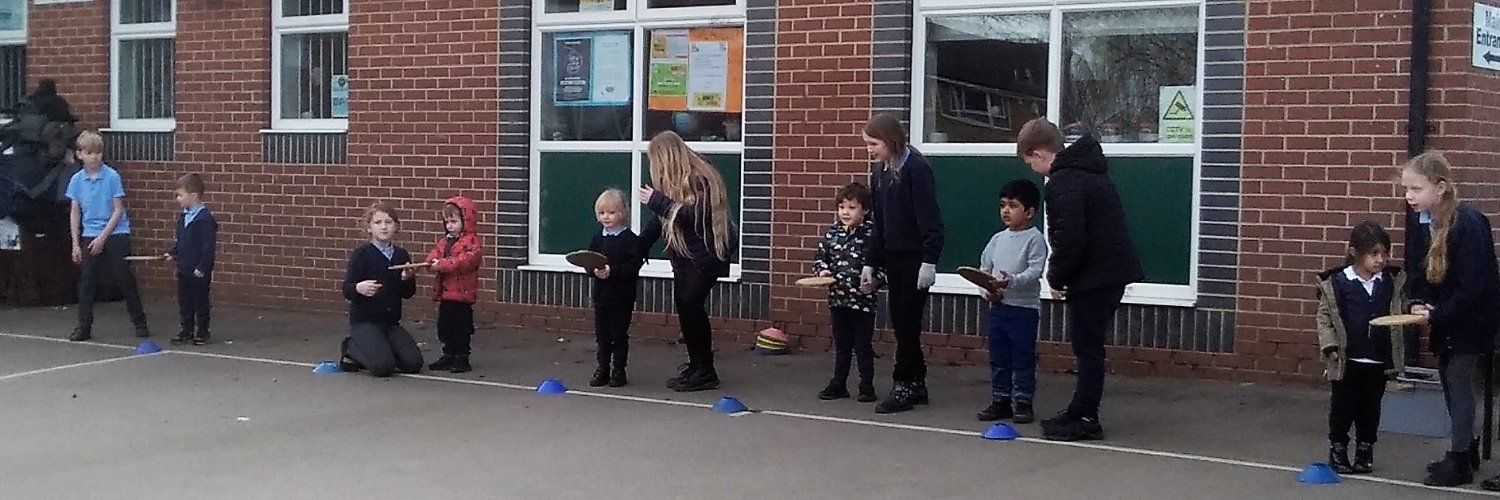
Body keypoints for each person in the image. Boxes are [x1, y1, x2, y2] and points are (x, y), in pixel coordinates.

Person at [1016, 118, 1143, 441]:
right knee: (1087, 344)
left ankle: (1086, 417)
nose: (1031, 168)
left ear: (1039, 153)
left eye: (1029, 160)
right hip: (1106, 271)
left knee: (1088, 347)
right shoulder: (1086, 172)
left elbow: (1069, 237)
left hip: (1096, 275)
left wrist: (1056, 276)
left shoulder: (1064, 181)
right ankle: (1079, 408)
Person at [1396, 152, 1500, 488]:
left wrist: (1440, 312)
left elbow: (1474, 284)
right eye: (1406, 189)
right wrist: (1417, 301)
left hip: (1472, 320)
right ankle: (1464, 448)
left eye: (1415, 188)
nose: (1408, 195)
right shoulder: (1425, 221)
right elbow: (1423, 271)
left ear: (1440, 187)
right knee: (1449, 382)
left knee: (1460, 385)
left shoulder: (1467, 224)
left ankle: (1459, 460)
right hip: (1449, 318)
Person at [639, 131, 735, 393]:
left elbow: (697, 216)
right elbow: (660, 221)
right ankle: (697, 366)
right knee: (686, 307)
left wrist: (658, 202)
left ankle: (705, 370)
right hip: (686, 256)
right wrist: (637, 247)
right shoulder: (672, 183)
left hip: (706, 255)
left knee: (691, 306)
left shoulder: (701, 178)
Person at [861, 114, 944, 415]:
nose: (870, 150)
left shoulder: (916, 170)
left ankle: (904, 383)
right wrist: (871, 261)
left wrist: (930, 260)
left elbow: (930, 220)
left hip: (914, 257)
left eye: (874, 144)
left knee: (907, 322)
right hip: (894, 257)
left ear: (890, 140)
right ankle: (917, 379)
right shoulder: (880, 173)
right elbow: (879, 223)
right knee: (901, 321)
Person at [1315, 221, 1408, 475]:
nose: (1380, 260)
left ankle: (1365, 449)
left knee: (1370, 409)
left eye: (1384, 254)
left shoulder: (1390, 283)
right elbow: (1324, 318)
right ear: (1355, 252)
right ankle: (1338, 449)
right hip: (1347, 360)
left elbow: (1405, 306)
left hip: (1377, 360)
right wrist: (1330, 346)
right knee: (1343, 408)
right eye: (1374, 254)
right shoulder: (1338, 283)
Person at [65, 131, 150, 341]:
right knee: (87, 281)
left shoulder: (111, 176)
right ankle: (83, 326)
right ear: (80, 154)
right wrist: (76, 243)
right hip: (89, 233)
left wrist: (103, 238)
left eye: (98, 153)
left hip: (115, 231)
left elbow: (118, 210)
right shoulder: (76, 180)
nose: (95, 157)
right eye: (90, 152)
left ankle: (140, 322)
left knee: (124, 277)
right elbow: (75, 212)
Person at [976, 179, 1047, 424]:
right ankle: (1001, 401)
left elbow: (1035, 272)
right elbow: (983, 270)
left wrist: (1011, 282)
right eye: (1003, 205)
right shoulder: (997, 239)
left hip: (1024, 311)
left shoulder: (1035, 239)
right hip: (998, 309)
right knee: (999, 357)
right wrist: (988, 290)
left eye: (1013, 205)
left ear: (1029, 212)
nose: (1006, 210)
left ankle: (1024, 402)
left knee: (1023, 358)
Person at [812, 182, 882, 403]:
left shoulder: (873, 236)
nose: (845, 212)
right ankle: (838, 383)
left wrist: (876, 282)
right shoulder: (832, 234)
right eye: (842, 207)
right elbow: (820, 258)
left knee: (862, 345)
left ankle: (866, 385)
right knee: (842, 344)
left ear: (865, 210)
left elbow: (884, 266)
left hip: (862, 302)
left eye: (851, 207)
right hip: (838, 299)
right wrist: (822, 271)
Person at [339, 201, 424, 378]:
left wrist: (406, 279)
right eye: (378, 223)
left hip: (390, 323)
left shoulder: (401, 255)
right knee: (383, 367)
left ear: (396, 226)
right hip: (365, 322)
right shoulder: (361, 254)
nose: (383, 227)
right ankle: (352, 347)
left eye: (388, 222)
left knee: (413, 363)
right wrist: (358, 288)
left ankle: (382, 346)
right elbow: (347, 289)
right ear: (369, 228)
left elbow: (408, 294)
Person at [587, 188, 645, 388]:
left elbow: (633, 266)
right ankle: (602, 369)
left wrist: (613, 271)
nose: (606, 217)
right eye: (602, 213)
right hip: (601, 296)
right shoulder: (598, 238)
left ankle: (618, 371)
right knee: (602, 335)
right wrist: (595, 271)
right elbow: (589, 260)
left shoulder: (631, 240)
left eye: (611, 212)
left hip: (622, 296)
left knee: (618, 334)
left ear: (623, 213)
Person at [423, 196, 483, 374]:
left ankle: (462, 357)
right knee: (445, 326)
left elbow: (463, 262)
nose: (450, 225)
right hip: (446, 293)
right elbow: (435, 253)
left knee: (461, 328)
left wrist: (441, 264)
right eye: (447, 221)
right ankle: (448, 354)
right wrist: (429, 262)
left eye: (454, 221)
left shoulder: (471, 243)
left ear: (466, 221)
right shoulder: (444, 242)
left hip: (462, 295)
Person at [167, 173, 218, 346]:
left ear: (194, 195)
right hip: (184, 267)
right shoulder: (183, 217)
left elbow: (208, 247)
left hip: (198, 269)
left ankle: (203, 331)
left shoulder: (204, 219)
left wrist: (202, 266)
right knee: (185, 301)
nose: (178, 199)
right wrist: (172, 253)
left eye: (181, 195)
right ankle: (186, 330)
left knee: (200, 300)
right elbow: (181, 242)